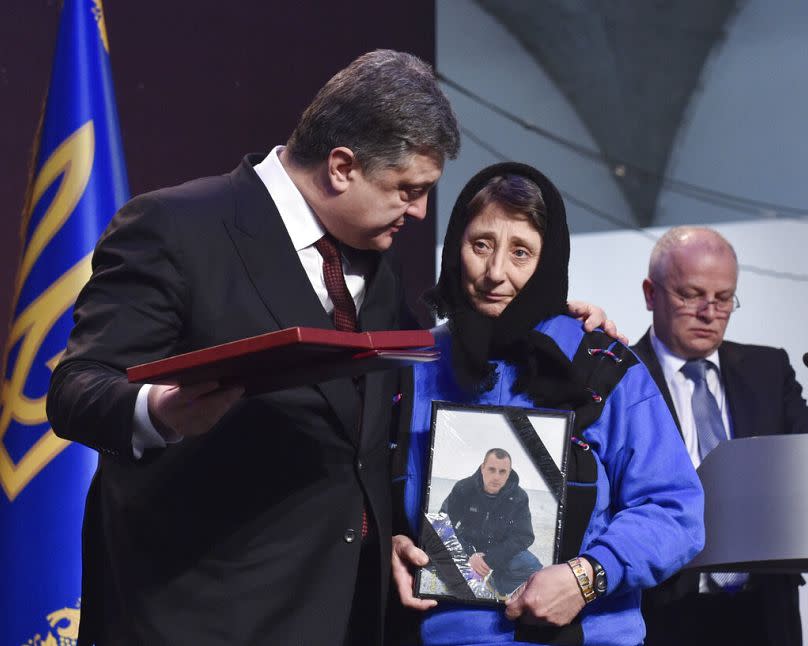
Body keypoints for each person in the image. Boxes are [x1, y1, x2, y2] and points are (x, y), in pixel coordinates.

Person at [45, 49, 616, 646]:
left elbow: (372, 430)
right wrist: (158, 410)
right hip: (202, 617)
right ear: (342, 167)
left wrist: (551, 321)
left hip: (347, 617)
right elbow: (76, 386)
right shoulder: (174, 227)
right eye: (408, 190)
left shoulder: (374, 261)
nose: (420, 212)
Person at [389, 163, 704, 646]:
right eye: (480, 245)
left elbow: (676, 509)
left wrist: (588, 576)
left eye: (521, 252)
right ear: (455, 246)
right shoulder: (414, 366)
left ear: (548, 260)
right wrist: (390, 547)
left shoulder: (601, 365)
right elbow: (365, 501)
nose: (496, 273)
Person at [633, 226, 808, 646]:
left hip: (765, 612)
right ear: (651, 294)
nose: (709, 312)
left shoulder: (770, 370)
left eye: (724, 298)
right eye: (691, 295)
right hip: (664, 613)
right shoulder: (620, 377)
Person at [440, 448, 542, 596]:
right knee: (443, 567)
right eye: (491, 469)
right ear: (482, 468)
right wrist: (470, 554)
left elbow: (524, 536)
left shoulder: (519, 496)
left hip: (499, 547)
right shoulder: (464, 488)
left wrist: (490, 559)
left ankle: (496, 586)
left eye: (502, 472)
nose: (496, 477)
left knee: (533, 568)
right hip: (468, 543)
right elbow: (443, 523)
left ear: (509, 472)